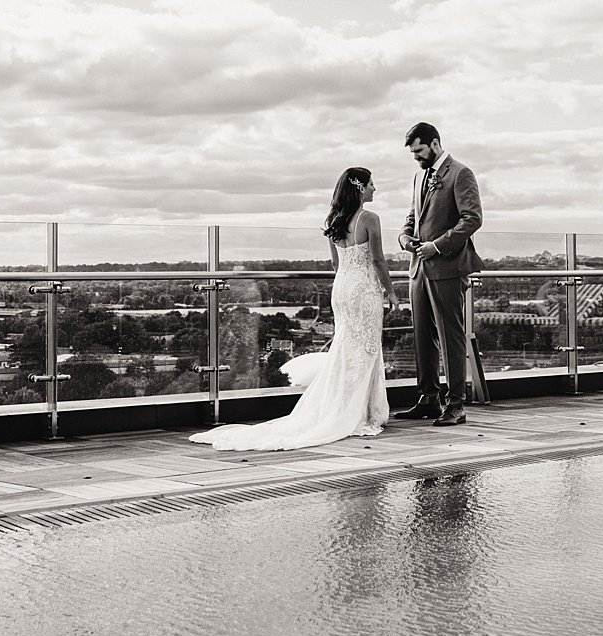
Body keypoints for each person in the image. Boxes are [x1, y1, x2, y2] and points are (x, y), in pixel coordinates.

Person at [190, 166, 395, 450]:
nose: (375, 189)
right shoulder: (369, 218)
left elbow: (336, 265)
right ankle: (363, 412)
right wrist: (392, 293)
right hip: (364, 290)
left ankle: (349, 407)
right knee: (367, 348)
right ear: (360, 187)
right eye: (372, 184)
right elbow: (378, 261)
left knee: (346, 348)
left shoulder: (335, 219)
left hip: (342, 288)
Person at [396, 122, 485, 426]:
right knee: (422, 336)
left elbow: (472, 219)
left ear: (434, 144)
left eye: (419, 150)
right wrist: (404, 238)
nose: (416, 157)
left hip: (447, 266)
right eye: (413, 153)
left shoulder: (460, 173)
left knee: (451, 337)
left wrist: (437, 246)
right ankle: (428, 399)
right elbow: (413, 217)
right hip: (418, 267)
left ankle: (456, 406)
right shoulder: (420, 176)